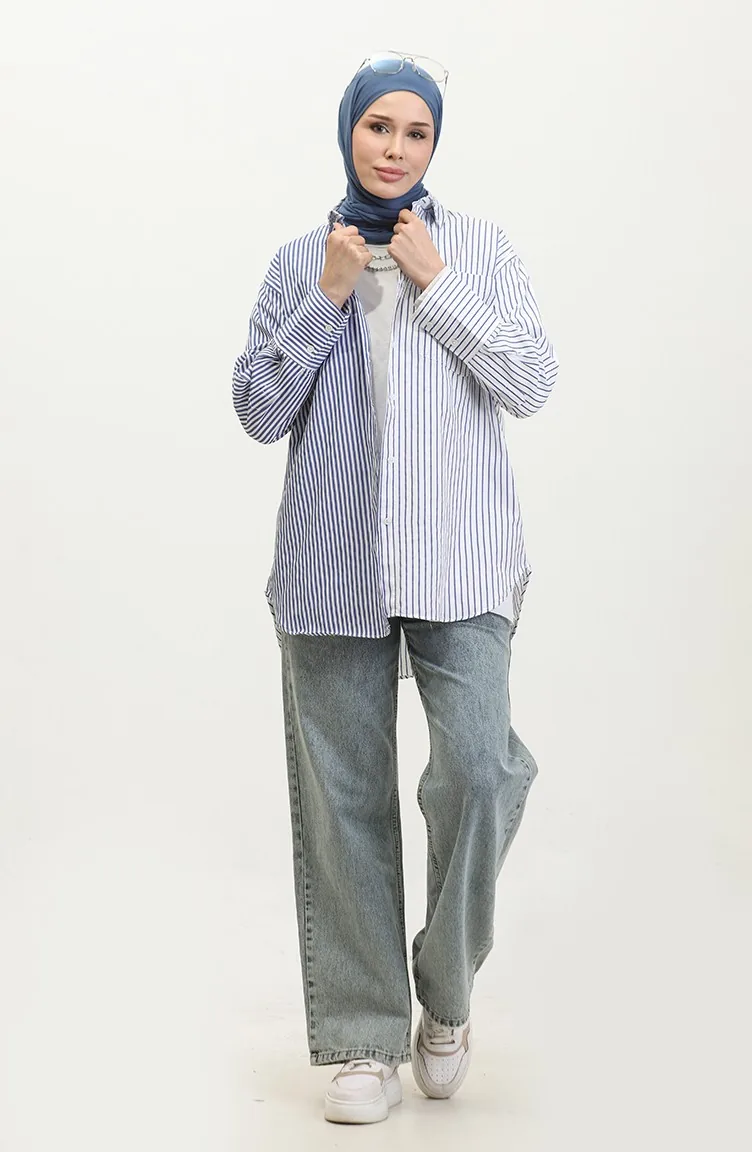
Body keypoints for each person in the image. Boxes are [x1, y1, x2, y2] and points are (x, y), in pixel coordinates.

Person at [231, 50, 558, 1125]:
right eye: (378, 126)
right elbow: (257, 410)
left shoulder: (479, 250)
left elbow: (529, 382)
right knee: (345, 804)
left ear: (434, 145)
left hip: (461, 560)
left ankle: (444, 994)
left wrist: (436, 283)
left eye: (416, 132)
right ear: (348, 131)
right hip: (329, 566)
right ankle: (364, 1037)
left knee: (479, 771)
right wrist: (327, 299)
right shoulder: (299, 261)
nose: (394, 148)